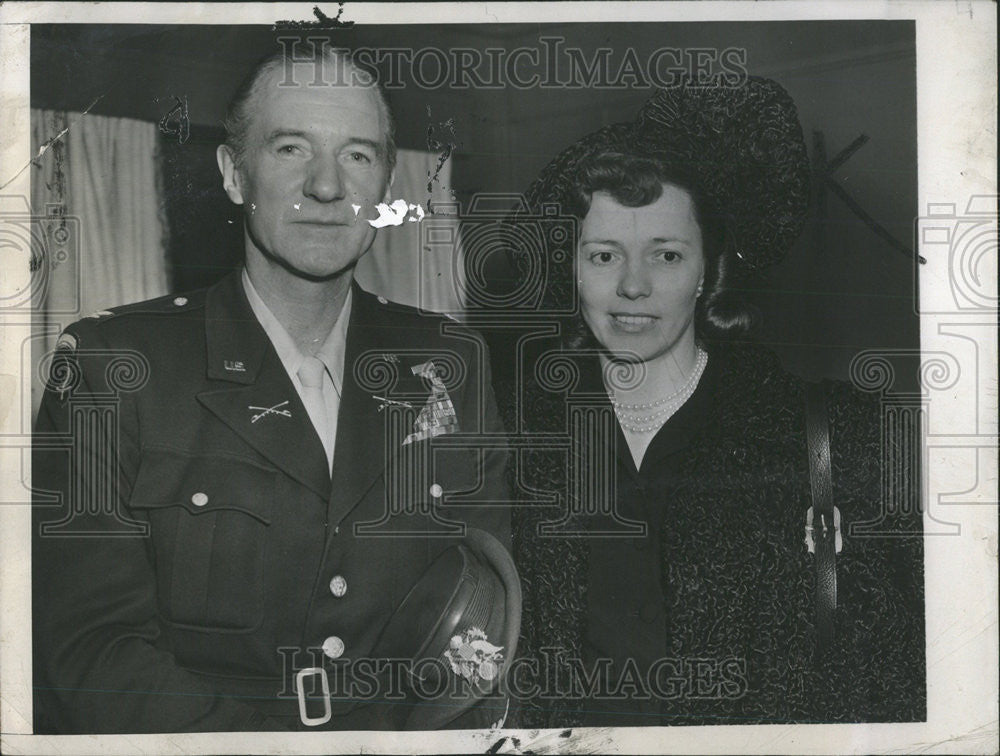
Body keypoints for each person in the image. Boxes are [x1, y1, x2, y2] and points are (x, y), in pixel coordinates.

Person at [32, 44, 510, 733]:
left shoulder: (449, 362)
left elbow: (480, 626)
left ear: (383, 187)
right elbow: (91, 654)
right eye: (291, 148)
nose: (326, 185)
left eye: (357, 155)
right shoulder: (115, 368)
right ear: (234, 174)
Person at [503, 77, 924, 727]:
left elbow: (901, 678)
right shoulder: (514, 435)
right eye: (605, 254)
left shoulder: (832, 441)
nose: (633, 286)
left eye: (666, 254)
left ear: (709, 271)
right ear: (573, 268)